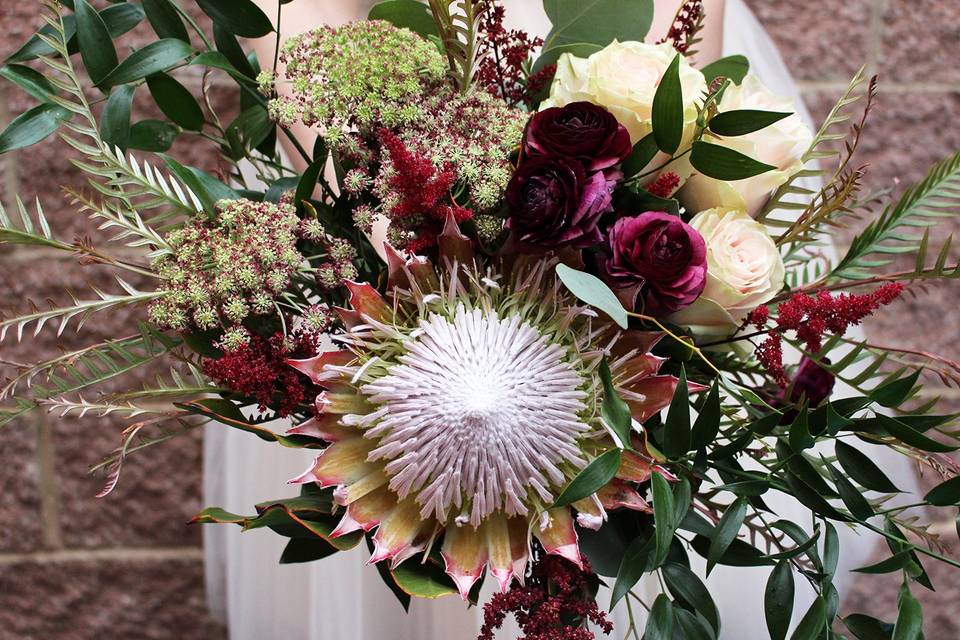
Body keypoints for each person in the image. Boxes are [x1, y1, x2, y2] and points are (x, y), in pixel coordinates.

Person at [205, 2, 918, 637]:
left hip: (608, 240)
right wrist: (377, 231)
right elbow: (297, 45)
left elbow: (687, 55)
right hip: (392, 262)